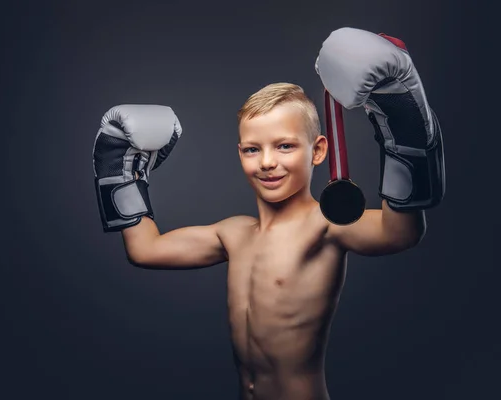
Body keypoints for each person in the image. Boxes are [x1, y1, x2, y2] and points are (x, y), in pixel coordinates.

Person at [92, 28, 445, 400]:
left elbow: (400, 232)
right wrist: (118, 168)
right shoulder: (234, 234)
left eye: (285, 146)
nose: (267, 163)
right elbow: (145, 250)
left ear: (318, 151)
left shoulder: (324, 225)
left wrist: (403, 120)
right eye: (251, 150)